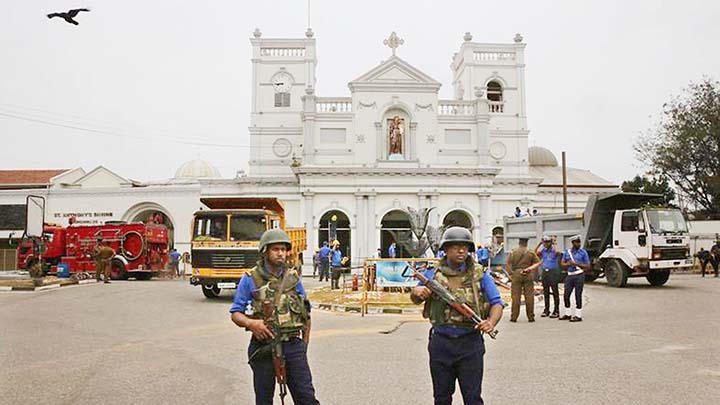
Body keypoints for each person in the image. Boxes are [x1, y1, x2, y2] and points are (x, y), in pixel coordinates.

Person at [410, 227, 503, 404]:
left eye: (465, 247)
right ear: (445, 249)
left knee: (473, 398)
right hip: (441, 343)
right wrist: (417, 291)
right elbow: (416, 297)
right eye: (455, 247)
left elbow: (496, 302)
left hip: (470, 343)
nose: (461, 251)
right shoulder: (433, 273)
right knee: (442, 398)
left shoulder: (479, 274)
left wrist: (490, 322)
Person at [229, 229, 319, 405]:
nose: (281, 253)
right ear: (265, 251)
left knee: (306, 397)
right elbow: (235, 313)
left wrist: (303, 345)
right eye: (276, 249)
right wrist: (251, 323)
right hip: (263, 346)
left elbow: (306, 312)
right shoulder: (250, 279)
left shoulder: (293, 278)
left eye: (284, 250)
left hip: (293, 345)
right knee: (264, 400)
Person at [507, 237, 541, 322]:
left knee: (515, 296)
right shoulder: (530, 252)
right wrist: (529, 269)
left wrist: (511, 274)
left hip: (516, 274)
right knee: (529, 296)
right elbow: (538, 262)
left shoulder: (513, 252)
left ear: (519, 242)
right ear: (526, 243)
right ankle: (531, 317)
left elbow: (508, 264)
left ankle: (514, 317)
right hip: (528, 273)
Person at [560, 235, 590, 322]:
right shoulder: (567, 252)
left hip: (579, 275)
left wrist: (576, 264)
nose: (579, 244)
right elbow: (562, 263)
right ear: (573, 243)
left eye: (579, 242)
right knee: (566, 295)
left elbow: (587, 265)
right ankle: (568, 313)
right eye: (577, 242)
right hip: (570, 275)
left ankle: (578, 315)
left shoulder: (583, 252)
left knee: (578, 295)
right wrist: (569, 264)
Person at [536, 236, 560, 318]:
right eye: (545, 242)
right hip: (545, 272)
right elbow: (534, 253)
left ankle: (556, 310)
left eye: (548, 242)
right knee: (546, 292)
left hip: (553, 272)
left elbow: (557, 252)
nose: (546, 244)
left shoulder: (554, 251)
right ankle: (547, 310)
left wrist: (554, 243)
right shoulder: (543, 251)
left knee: (555, 292)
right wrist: (539, 244)